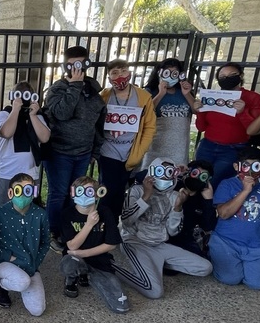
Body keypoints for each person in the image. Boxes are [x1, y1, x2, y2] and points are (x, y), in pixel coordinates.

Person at [112, 157, 213, 299]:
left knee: (205, 267)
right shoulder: (136, 190)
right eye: (160, 171)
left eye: (169, 172)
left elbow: (173, 231)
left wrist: (178, 207)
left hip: (160, 245)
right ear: (152, 172)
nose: (165, 176)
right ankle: (109, 266)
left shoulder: (174, 196)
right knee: (154, 291)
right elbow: (127, 221)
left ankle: (156, 264)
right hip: (135, 241)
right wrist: (146, 196)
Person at [42, 46, 106, 248]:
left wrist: (95, 151)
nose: (77, 68)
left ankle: (69, 229)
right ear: (65, 65)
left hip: (83, 153)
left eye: (81, 64)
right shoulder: (56, 89)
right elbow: (61, 113)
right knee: (58, 193)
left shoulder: (94, 93)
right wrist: (75, 86)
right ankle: (53, 231)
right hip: (59, 153)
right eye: (72, 64)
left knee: (75, 194)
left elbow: (99, 124)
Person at [209, 147, 260, 290]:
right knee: (230, 279)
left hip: (258, 245)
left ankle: (251, 266)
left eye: (256, 165)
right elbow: (223, 213)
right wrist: (246, 190)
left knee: (258, 285)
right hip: (226, 242)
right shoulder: (228, 184)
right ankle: (217, 255)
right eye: (246, 165)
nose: (251, 170)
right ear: (237, 166)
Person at [0, 172, 50, 316]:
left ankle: (19, 281)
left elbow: (45, 242)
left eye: (28, 190)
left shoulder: (40, 214)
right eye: (19, 190)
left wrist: (35, 262)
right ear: (11, 193)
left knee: (37, 310)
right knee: (22, 282)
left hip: (30, 265)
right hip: (5, 262)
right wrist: (6, 256)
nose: (23, 194)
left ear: (34, 192)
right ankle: (1, 284)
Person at [59, 176, 129, 314]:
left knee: (122, 306)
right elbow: (72, 247)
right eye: (80, 191)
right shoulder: (66, 214)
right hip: (75, 259)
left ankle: (87, 275)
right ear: (74, 193)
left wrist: (83, 253)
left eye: (89, 192)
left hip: (100, 260)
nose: (84, 195)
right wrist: (89, 224)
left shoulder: (105, 212)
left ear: (97, 194)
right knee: (69, 264)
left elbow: (111, 244)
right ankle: (72, 279)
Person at [99, 58, 156, 220]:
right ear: (109, 77)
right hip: (108, 150)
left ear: (129, 73)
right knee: (109, 189)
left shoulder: (143, 97)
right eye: (114, 73)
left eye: (123, 71)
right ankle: (103, 222)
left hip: (131, 151)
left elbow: (149, 127)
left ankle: (115, 223)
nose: (120, 76)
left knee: (120, 190)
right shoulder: (104, 96)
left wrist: (140, 151)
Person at [194, 63, 260, 189]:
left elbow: (254, 130)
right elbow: (201, 127)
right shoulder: (212, 97)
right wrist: (199, 111)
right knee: (198, 179)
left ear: (241, 76)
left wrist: (242, 112)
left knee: (215, 182)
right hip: (207, 146)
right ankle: (194, 206)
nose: (227, 79)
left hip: (233, 149)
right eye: (222, 76)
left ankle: (210, 207)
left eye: (232, 75)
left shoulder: (253, 98)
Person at [0, 81, 50, 209]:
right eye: (20, 95)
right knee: (3, 213)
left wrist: (33, 115)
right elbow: (6, 132)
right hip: (6, 174)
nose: (24, 100)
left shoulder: (37, 117)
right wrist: (15, 110)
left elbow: (45, 137)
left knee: (28, 212)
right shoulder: (5, 114)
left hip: (30, 175)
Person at [142, 58, 197, 167]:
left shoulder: (183, 92)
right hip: (157, 144)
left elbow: (196, 111)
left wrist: (187, 94)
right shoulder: (149, 91)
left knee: (176, 175)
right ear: (159, 73)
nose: (170, 77)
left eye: (174, 73)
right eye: (167, 72)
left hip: (180, 146)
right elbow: (145, 112)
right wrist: (161, 93)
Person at [167, 159, 217, 258]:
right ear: (189, 172)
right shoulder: (173, 184)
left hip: (185, 240)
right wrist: (173, 171)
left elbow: (208, 226)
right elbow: (141, 177)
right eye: (195, 173)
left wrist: (208, 200)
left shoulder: (203, 198)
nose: (197, 177)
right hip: (164, 236)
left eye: (203, 176)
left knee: (206, 260)